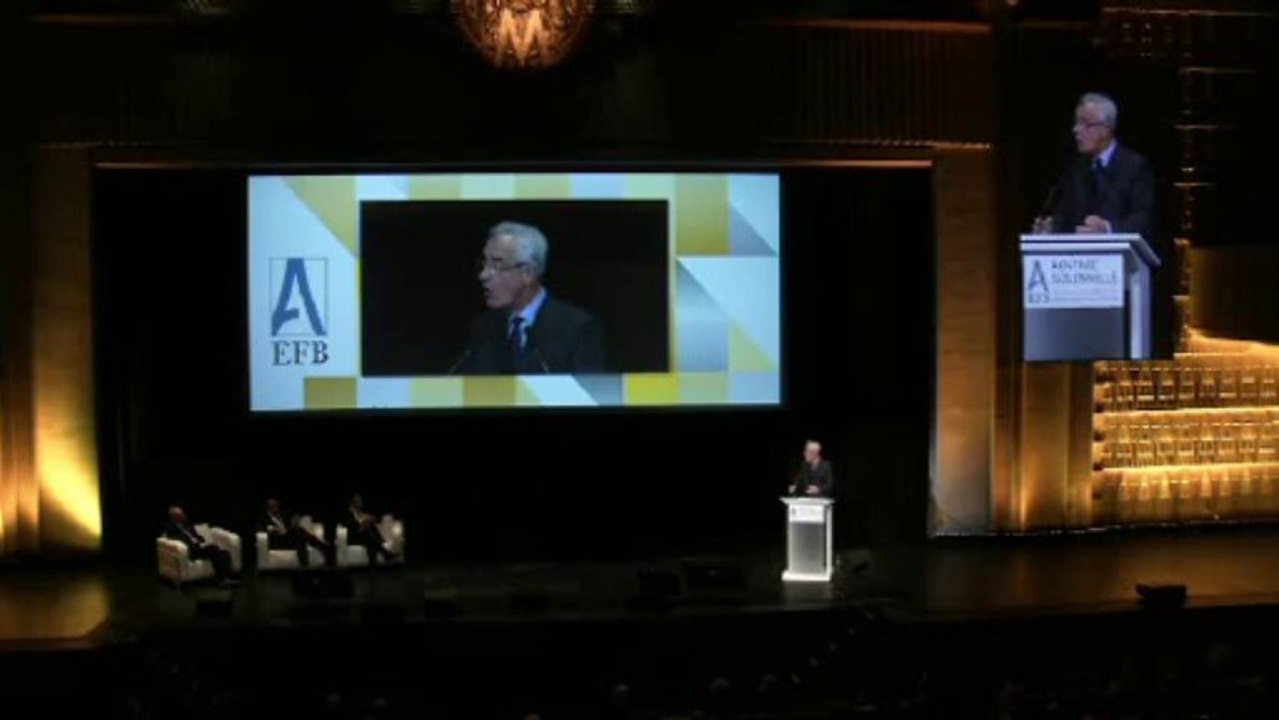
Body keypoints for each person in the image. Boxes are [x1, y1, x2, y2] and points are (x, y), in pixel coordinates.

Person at [452, 221, 606, 375]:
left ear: (528, 273)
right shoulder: (484, 328)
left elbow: (586, 395)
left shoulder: (577, 328)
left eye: (497, 265)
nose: (483, 275)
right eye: (484, 264)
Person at [1033, 92, 1154, 240]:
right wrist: (1051, 228)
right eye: (1076, 123)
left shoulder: (1135, 166)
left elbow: (1143, 220)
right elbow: (1065, 215)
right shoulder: (1076, 168)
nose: (1076, 130)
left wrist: (1107, 229)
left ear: (1105, 129)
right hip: (1082, 259)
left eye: (1085, 124)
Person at [163, 506, 238, 587]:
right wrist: (192, 544)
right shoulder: (170, 527)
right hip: (190, 550)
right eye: (181, 514)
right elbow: (174, 539)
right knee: (214, 550)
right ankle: (221, 580)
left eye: (183, 513)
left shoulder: (186, 524)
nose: (184, 515)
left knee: (223, 553)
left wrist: (200, 539)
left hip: (198, 547)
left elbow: (196, 535)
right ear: (174, 516)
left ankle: (224, 578)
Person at [258, 498, 335, 568]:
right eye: (272, 505)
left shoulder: (283, 514)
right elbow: (262, 531)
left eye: (276, 505)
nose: (275, 507)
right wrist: (272, 530)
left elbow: (293, 522)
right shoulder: (263, 519)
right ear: (267, 507)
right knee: (299, 531)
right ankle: (322, 546)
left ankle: (305, 567)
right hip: (277, 540)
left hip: (289, 538)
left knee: (300, 539)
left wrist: (295, 520)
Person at [343, 493, 399, 566]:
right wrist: (360, 524)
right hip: (353, 538)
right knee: (368, 533)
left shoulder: (360, 513)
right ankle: (385, 553)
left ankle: (374, 567)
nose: (361, 502)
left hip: (363, 537)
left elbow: (374, 518)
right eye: (358, 500)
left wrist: (367, 520)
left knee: (370, 539)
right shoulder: (348, 512)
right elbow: (347, 525)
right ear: (353, 502)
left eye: (360, 500)